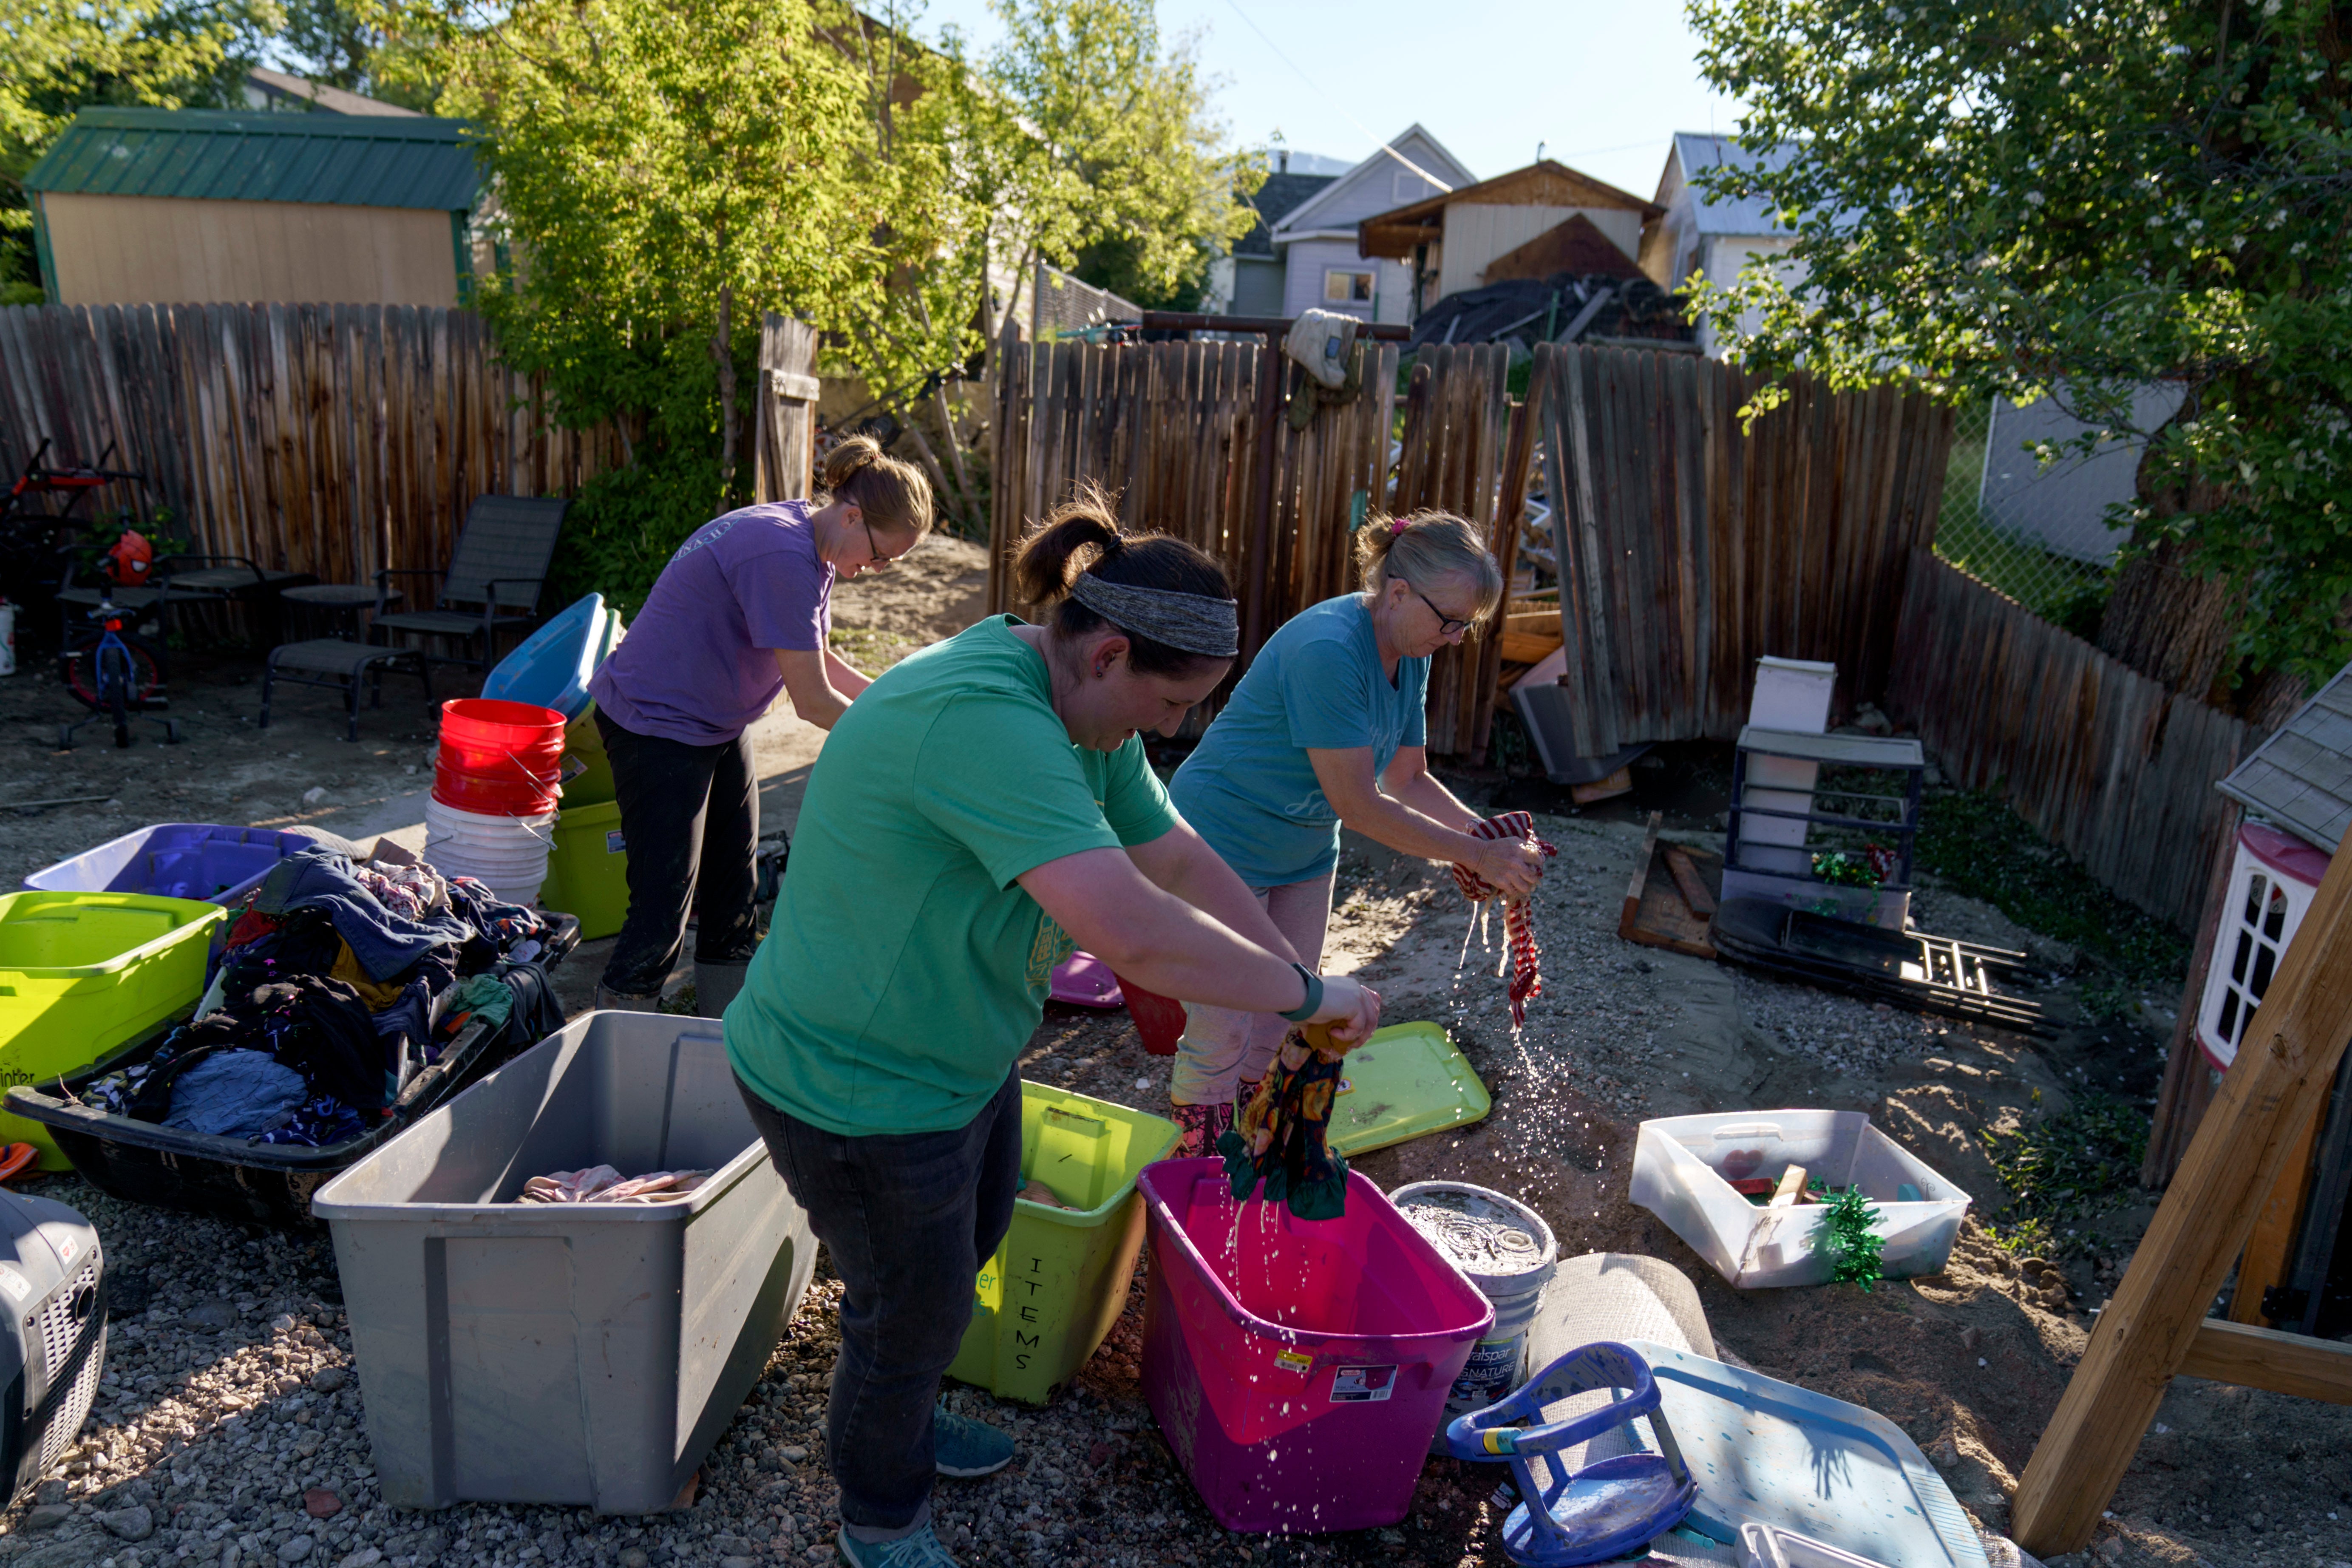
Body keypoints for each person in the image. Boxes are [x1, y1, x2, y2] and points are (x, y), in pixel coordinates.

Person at [725, 492, 1382, 1568]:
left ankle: (906, 1404)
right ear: (1110, 650)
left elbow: (1168, 853)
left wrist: (1297, 964)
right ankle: (878, 1518)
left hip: (953, 1057)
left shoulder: (1073, 702)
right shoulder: (987, 721)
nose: (1169, 731)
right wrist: (1304, 1002)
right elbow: (1134, 930)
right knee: (908, 1316)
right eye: (1169, 705)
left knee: (968, 1248)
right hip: (851, 1082)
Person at [1162, 510, 1547, 1156]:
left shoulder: (1411, 646)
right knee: (1222, 1026)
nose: (1455, 638)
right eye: (1449, 620)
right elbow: (1361, 804)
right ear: (1397, 591)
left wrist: (1492, 843)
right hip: (1222, 836)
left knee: (1287, 1006)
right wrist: (1474, 852)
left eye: (1466, 627)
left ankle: (1252, 1140)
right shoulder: (1329, 650)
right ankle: (1194, 1163)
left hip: (1305, 844)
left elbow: (1407, 777)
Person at [584, 437, 932, 1016]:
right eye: (880, 557)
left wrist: (893, 704)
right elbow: (813, 700)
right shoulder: (780, 554)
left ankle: (728, 1039)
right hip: (656, 725)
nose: (873, 572)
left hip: (715, 722)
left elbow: (819, 657)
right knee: (663, 905)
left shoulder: (814, 541)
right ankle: (617, 1040)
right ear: (852, 515)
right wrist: (902, 750)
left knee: (733, 892)